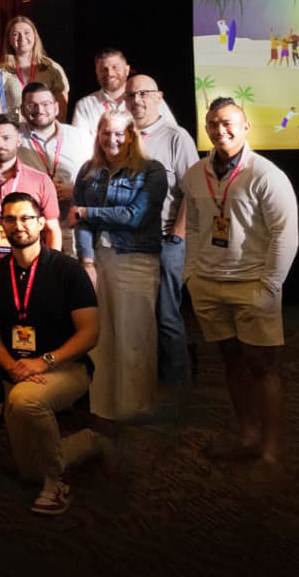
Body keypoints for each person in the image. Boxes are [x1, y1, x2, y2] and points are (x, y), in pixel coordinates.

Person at [178, 99, 298, 480]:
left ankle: (271, 452)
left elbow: (285, 235)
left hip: (252, 286)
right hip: (209, 286)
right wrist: (191, 276)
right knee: (230, 363)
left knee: (263, 367)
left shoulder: (266, 174)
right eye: (212, 124)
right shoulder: (195, 174)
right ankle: (247, 437)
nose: (219, 130)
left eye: (228, 123)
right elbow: (194, 228)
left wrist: (269, 286)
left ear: (246, 127)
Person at [0, 192, 102, 515]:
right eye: (10, 219)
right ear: (2, 224)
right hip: (17, 372)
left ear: (40, 223)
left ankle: (56, 483)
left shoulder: (67, 270)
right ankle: (88, 442)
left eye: (25, 218)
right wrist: (13, 366)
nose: (18, 226)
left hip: (66, 367)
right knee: (27, 471)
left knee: (24, 400)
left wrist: (43, 361)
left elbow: (90, 333)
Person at [72, 110, 168, 426]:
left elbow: (134, 216)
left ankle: (135, 412)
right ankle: (104, 412)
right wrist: (86, 261)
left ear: (130, 135)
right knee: (100, 341)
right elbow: (78, 221)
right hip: (98, 260)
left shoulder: (152, 172)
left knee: (134, 338)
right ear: (98, 135)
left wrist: (88, 210)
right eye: (105, 133)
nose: (111, 139)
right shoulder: (88, 170)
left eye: (118, 133)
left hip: (136, 261)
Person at [128, 74, 198, 386]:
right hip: (127, 243)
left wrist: (177, 235)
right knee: (136, 318)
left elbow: (193, 191)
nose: (137, 100)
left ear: (159, 97)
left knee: (167, 315)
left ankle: (176, 387)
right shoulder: (119, 136)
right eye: (131, 95)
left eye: (144, 93)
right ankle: (144, 384)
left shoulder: (176, 137)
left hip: (165, 240)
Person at [0, 115, 62, 279]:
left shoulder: (40, 180)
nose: (0, 144)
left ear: (18, 140)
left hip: (30, 270)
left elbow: (51, 230)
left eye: (6, 138)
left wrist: (49, 271)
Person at [18, 82, 94, 257]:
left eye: (46, 104)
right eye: (32, 105)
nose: (39, 109)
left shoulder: (80, 137)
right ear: (22, 110)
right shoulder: (14, 138)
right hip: (34, 227)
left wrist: (75, 191)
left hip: (74, 226)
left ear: (56, 107)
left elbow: (99, 179)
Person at [70, 49, 176, 132]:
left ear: (127, 70)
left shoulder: (150, 98)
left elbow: (171, 132)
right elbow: (80, 146)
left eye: (115, 67)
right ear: (96, 72)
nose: (109, 73)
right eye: (103, 69)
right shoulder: (85, 105)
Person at [0, 16, 70, 122]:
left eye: (27, 32)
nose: (21, 37)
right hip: (16, 133)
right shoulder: (0, 71)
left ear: (35, 36)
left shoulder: (51, 67)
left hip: (45, 133)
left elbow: (62, 107)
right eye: (15, 34)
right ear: (9, 40)